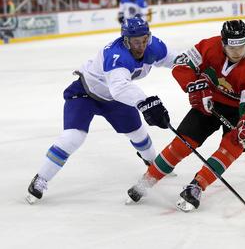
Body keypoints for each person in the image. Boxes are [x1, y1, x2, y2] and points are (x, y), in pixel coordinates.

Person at [126, 20, 245, 212]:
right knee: (182, 143)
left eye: (242, 47)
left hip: (238, 110)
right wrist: (194, 87)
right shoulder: (209, 46)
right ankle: (149, 179)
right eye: (232, 48)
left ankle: (197, 186)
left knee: (233, 145)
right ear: (222, 43)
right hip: (207, 100)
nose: (238, 53)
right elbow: (181, 65)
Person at [26, 17, 175, 204]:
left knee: (138, 133)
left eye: (145, 39)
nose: (141, 45)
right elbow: (119, 88)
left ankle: (153, 163)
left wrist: (195, 67)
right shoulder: (117, 55)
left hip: (114, 98)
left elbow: (175, 60)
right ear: (126, 40)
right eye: (136, 41)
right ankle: (41, 178)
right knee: (73, 137)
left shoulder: (154, 46)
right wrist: (144, 102)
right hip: (85, 93)